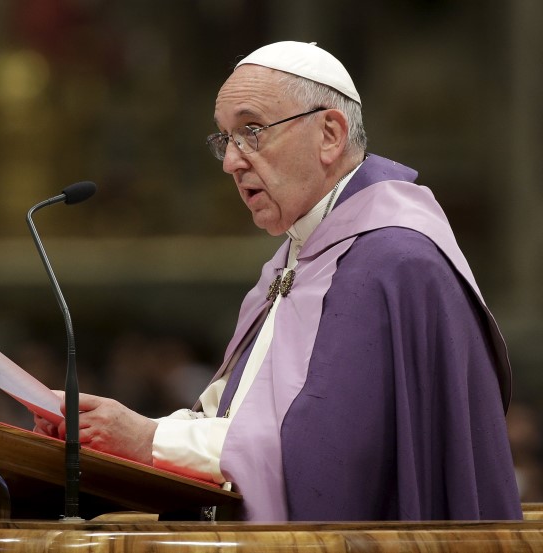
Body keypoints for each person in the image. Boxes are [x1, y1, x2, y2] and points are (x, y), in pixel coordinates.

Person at [33, 41, 522, 521]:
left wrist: (147, 439)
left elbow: (327, 456)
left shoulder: (390, 262)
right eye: (224, 139)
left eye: (252, 131)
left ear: (329, 134)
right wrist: (110, 432)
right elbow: (237, 422)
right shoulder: (298, 257)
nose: (231, 161)